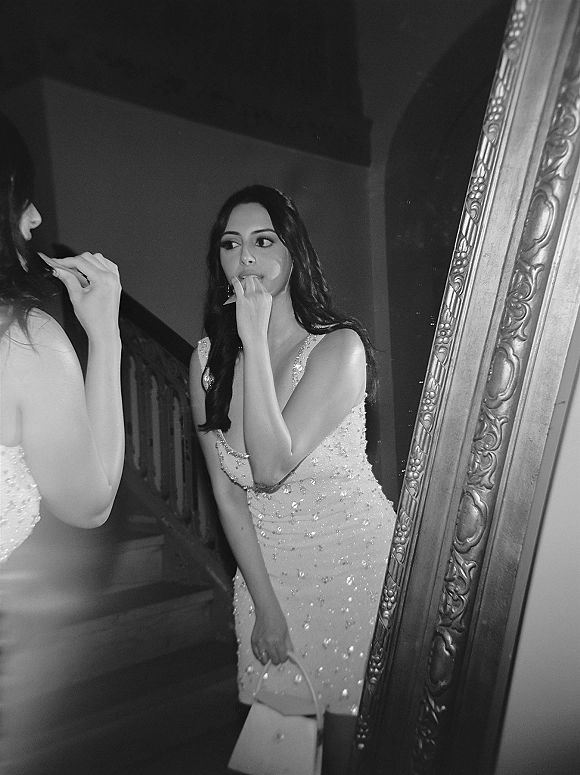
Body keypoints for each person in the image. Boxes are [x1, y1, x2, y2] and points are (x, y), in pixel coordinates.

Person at [189, 185, 396, 775]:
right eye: (231, 245)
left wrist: (254, 337)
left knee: (351, 756)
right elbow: (228, 497)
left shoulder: (339, 348)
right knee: (275, 755)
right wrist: (265, 604)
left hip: (355, 572)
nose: (245, 258)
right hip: (265, 577)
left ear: (293, 253)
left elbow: (271, 466)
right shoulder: (206, 363)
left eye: (262, 241)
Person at [0, 112, 124, 564]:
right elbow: (91, 506)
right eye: (22, 198)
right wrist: (106, 336)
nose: (35, 217)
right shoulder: (25, 344)